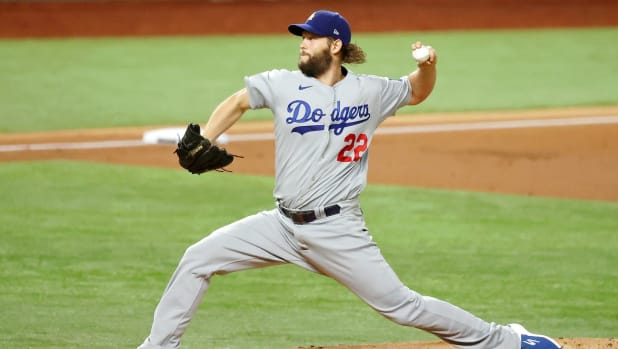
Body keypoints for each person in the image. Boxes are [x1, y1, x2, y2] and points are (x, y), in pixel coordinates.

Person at [137, 10, 562, 349]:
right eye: (301, 36)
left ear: (335, 45)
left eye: (310, 37)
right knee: (198, 259)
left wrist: (429, 65)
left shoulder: (370, 92)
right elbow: (237, 101)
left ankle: (507, 341)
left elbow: (416, 91)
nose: (302, 43)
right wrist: (206, 137)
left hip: (338, 229)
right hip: (281, 225)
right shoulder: (281, 83)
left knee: (402, 306)